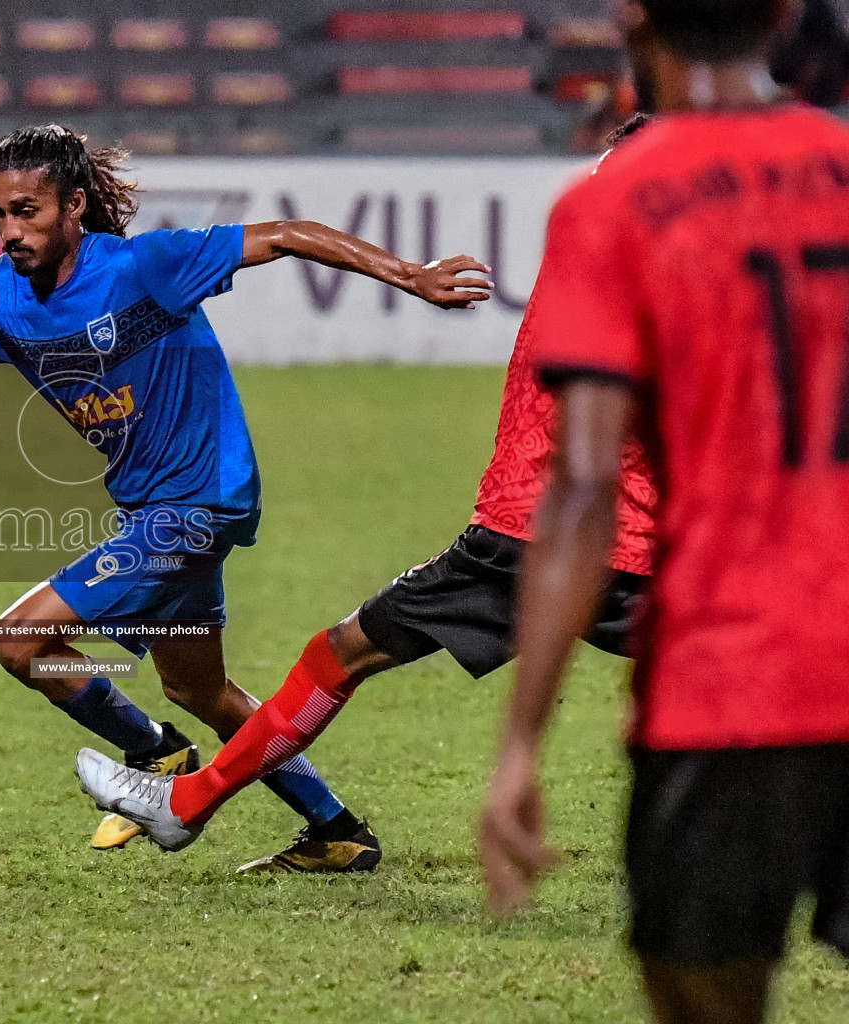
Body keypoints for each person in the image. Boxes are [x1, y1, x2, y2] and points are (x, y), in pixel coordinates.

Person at [0, 124, 493, 868]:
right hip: (153, 514)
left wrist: (412, 275)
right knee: (200, 691)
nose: (11, 231)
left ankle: (155, 755)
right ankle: (336, 829)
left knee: (20, 641)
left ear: (74, 205)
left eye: (28, 211)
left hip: (199, 505)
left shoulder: (149, 267)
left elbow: (287, 235)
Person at [73, 118, 659, 872]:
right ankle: (207, 808)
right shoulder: (675, 248)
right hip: (619, 535)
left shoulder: (623, 226)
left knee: (342, 653)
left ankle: (188, 805)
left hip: (540, 523)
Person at [478, 2, 849, 1022]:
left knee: (703, 991)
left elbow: (585, 487)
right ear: (782, 14)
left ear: (633, 20)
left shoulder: (618, 200)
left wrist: (521, 744)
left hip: (732, 682)